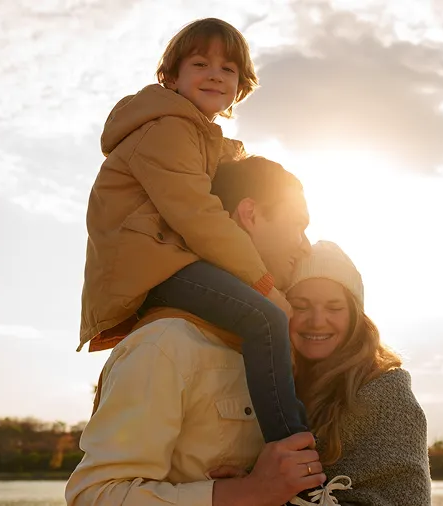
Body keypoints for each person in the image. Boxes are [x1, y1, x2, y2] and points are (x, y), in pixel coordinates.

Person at [79, 17, 311, 453]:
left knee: (266, 318)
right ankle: (293, 450)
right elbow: (198, 216)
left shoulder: (198, 136)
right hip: (151, 263)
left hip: (167, 258)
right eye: (200, 63)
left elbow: (230, 176)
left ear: (240, 85)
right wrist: (263, 283)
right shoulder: (166, 129)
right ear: (171, 76)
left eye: (228, 70)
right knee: (266, 317)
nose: (214, 75)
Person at [66, 156, 330, 506]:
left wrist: (254, 488)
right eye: (298, 225)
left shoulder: (271, 350)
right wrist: (249, 492)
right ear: (250, 215)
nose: (306, 245)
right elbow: (94, 496)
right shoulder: (166, 345)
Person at [286, 241, 432, 506]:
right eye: (301, 305)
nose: (317, 320)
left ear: (354, 316)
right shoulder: (271, 385)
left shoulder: (387, 395)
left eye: (334, 307)